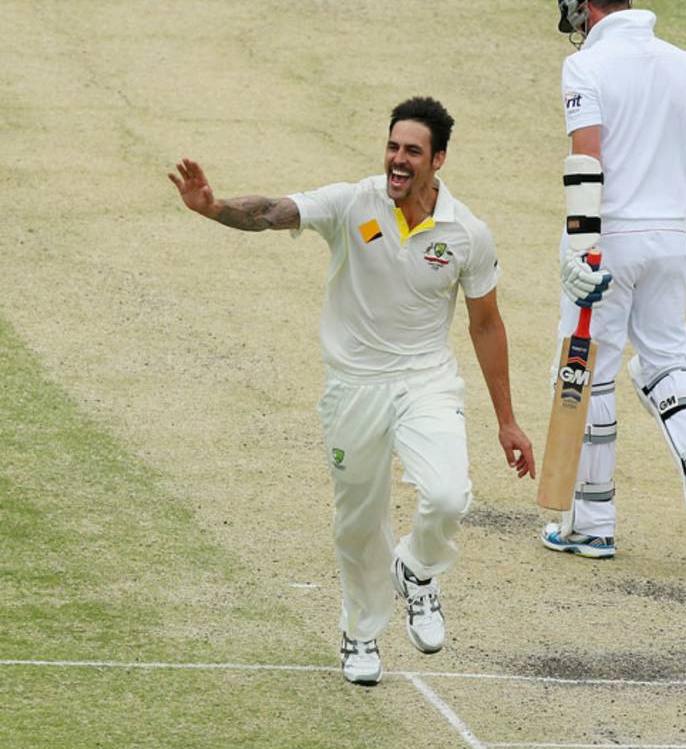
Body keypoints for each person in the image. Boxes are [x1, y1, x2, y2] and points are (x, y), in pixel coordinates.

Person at [168, 97, 535, 686]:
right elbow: (270, 211)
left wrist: (507, 421)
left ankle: (416, 570)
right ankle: (362, 635)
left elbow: (486, 325)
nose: (397, 160)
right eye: (393, 147)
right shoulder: (351, 203)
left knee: (446, 495)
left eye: (412, 151)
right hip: (354, 388)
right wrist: (214, 208)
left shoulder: (467, 233)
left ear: (437, 160)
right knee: (358, 524)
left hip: (426, 383)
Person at [543, 0, 686, 562]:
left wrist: (583, 247)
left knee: (590, 372)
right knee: (669, 362)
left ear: (584, 7)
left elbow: (587, 161)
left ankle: (592, 525)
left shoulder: (584, 65)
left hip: (606, 239)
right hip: (665, 245)